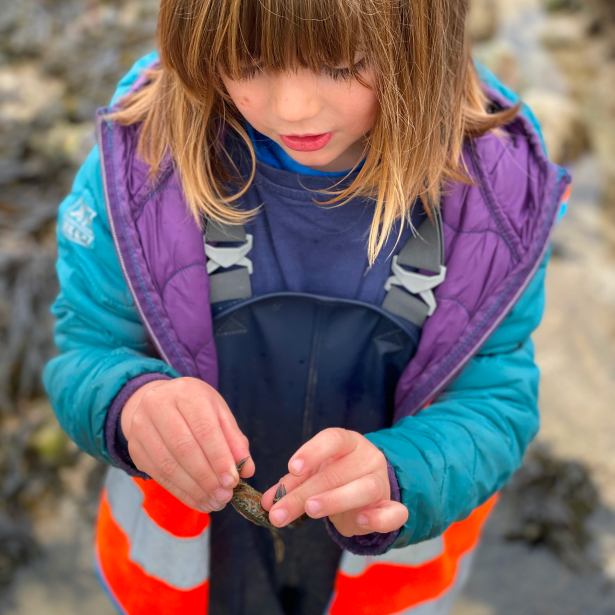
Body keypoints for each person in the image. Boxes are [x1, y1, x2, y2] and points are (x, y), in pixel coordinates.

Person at [43, 1, 571, 614]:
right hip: (184, 580)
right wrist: (130, 406)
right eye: (250, 60)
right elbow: (85, 352)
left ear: (427, 39)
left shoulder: (494, 200)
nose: (292, 108)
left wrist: (403, 473)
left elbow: (495, 403)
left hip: (371, 586)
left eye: (341, 64)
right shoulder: (137, 166)